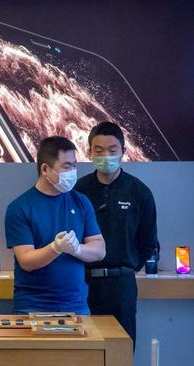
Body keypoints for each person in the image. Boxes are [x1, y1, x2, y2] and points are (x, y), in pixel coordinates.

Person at [75, 121, 159, 346]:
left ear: (123, 151)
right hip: (83, 282)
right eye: (99, 151)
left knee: (121, 349)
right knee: (83, 349)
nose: (106, 156)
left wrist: (127, 267)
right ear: (89, 152)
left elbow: (148, 242)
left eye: (112, 150)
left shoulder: (138, 192)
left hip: (121, 284)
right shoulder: (78, 191)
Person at [4, 136, 106, 314]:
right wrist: (55, 247)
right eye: (66, 166)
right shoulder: (20, 208)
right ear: (45, 169)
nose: (73, 171)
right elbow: (26, 261)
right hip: (32, 308)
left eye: (75, 165)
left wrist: (77, 249)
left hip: (76, 307)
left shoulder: (81, 202)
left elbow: (99, 250)